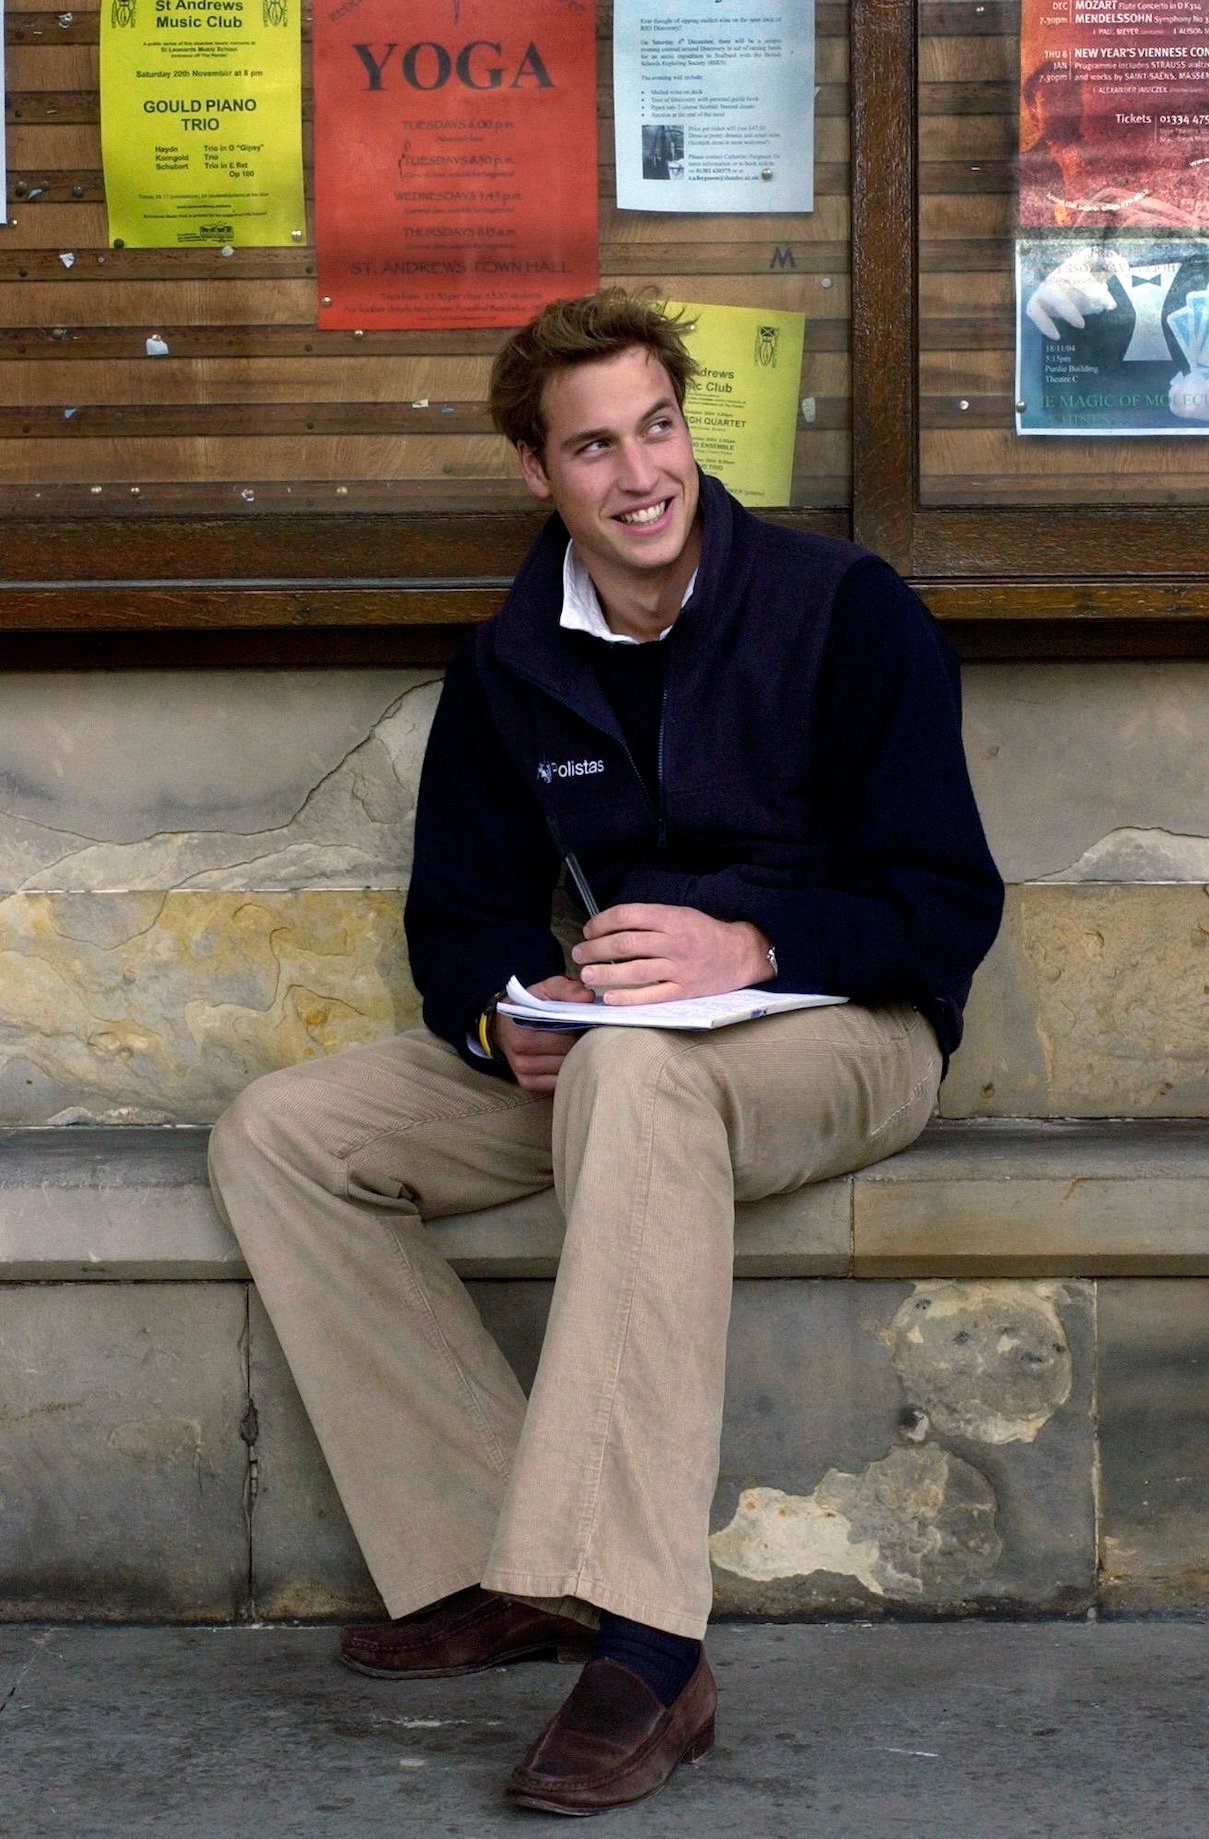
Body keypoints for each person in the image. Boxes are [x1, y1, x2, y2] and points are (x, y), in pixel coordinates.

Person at [207, 289, 1003, 1817]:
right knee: (283, 1132)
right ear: (536, 472)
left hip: (845, 1038)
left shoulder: (845, 609)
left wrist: (754, 948)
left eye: (658, 426)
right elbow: (455, 922)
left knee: (643, 1072)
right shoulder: (510, 661)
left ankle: (649, 1648)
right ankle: (490, 1560)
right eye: (594, 446)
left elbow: (941, 908)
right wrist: (501, 1022)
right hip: (619, 1050)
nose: (642, 474)